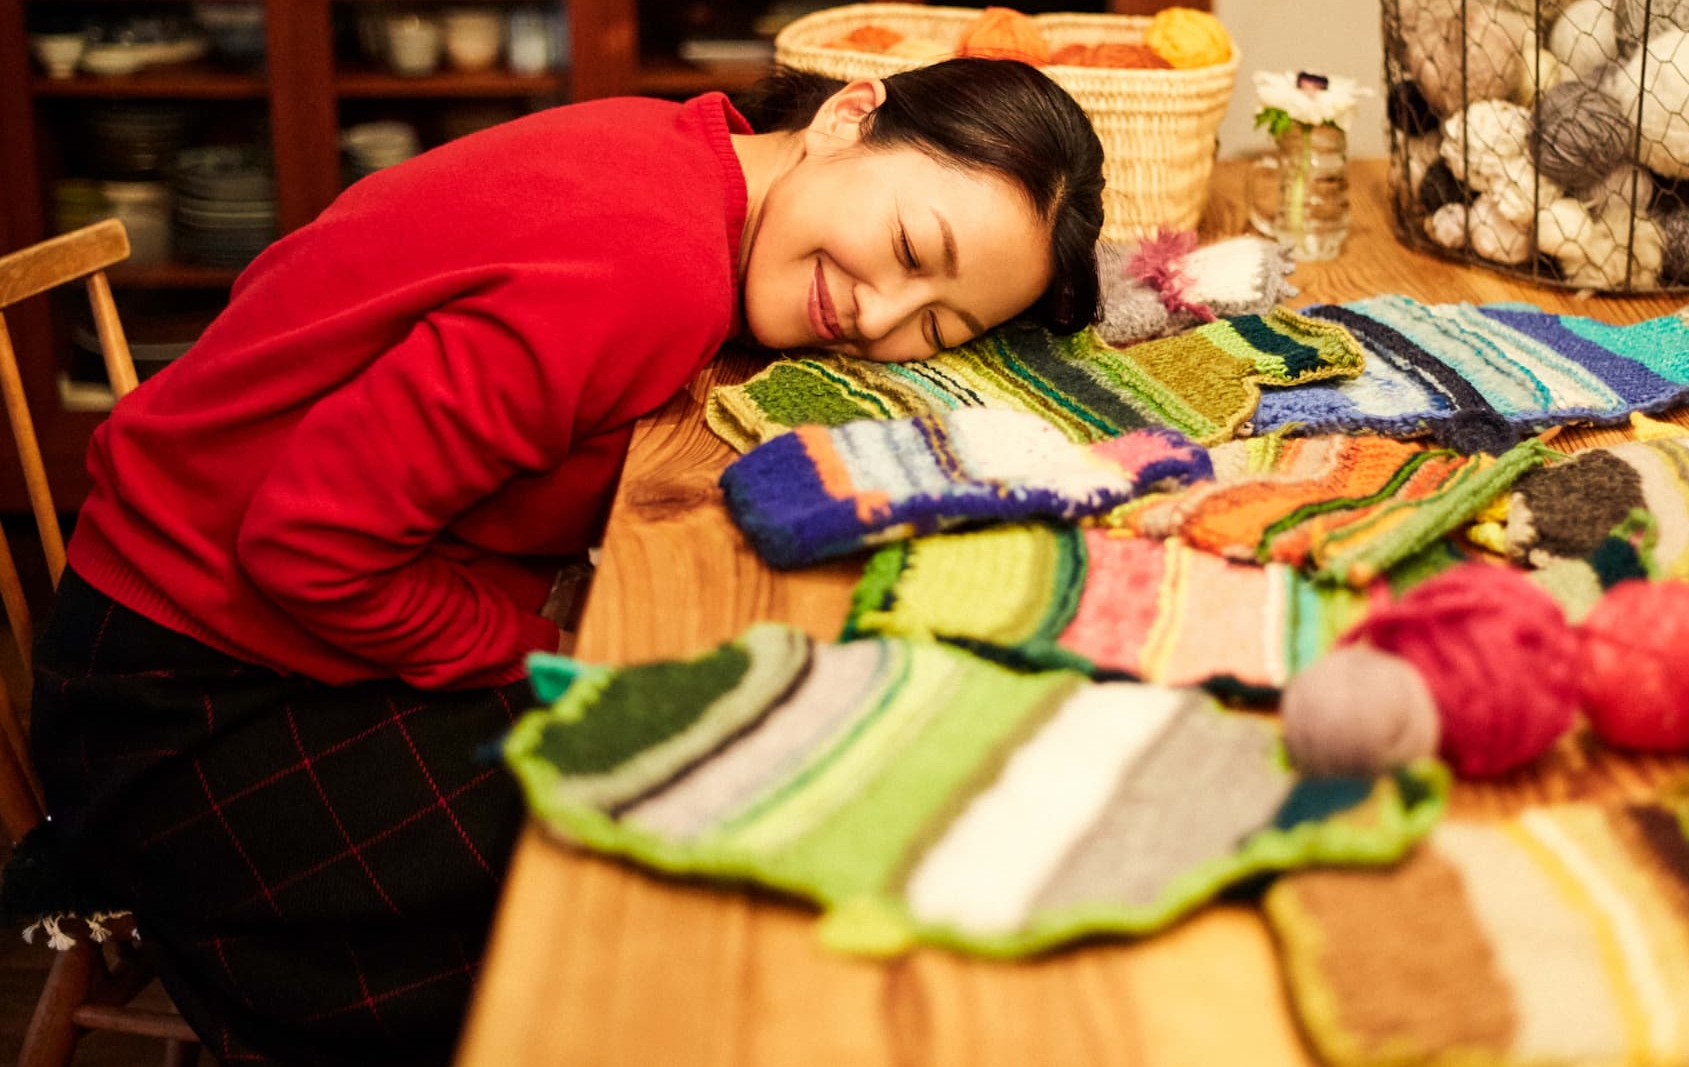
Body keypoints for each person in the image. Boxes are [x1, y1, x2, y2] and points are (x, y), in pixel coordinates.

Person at [29, 57, 1105, 1066]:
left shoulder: (690, 149)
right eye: (913, 250)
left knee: (720, 738)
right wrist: (538, 640)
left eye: (938, 324)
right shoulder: (651, 268)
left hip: (195, 611)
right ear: (846, 115)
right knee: (691, 848)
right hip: (183, 701)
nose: (879, 316)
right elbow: (309, 547)